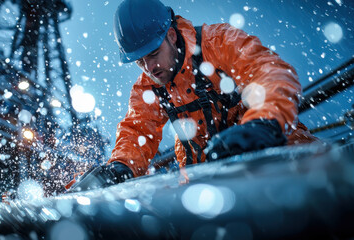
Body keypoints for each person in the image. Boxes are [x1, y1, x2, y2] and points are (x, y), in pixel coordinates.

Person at [68, 0, 318, 192]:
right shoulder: (148, 86)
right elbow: (137, 131)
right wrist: (120, 167)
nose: (149, 67)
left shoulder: (219, 42)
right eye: (140, 61)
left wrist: (264, 123)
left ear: (172, 35)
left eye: (153, 53)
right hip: (208, 188)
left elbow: (270, 72)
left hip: (284, 163)